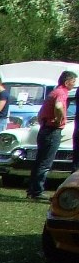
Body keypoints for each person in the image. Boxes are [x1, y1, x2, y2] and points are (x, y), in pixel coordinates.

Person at [28, 70, 76, 200]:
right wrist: (59, 118)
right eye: (73, 82)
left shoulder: (53, 92)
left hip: (44, 128)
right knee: (45, 163)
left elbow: (40, 113)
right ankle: (37, 191)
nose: (74, 84)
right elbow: (59, 106)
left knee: (39, 161)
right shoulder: (61, 93)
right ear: (67, 82)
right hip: (52, 131)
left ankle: (32, 190)